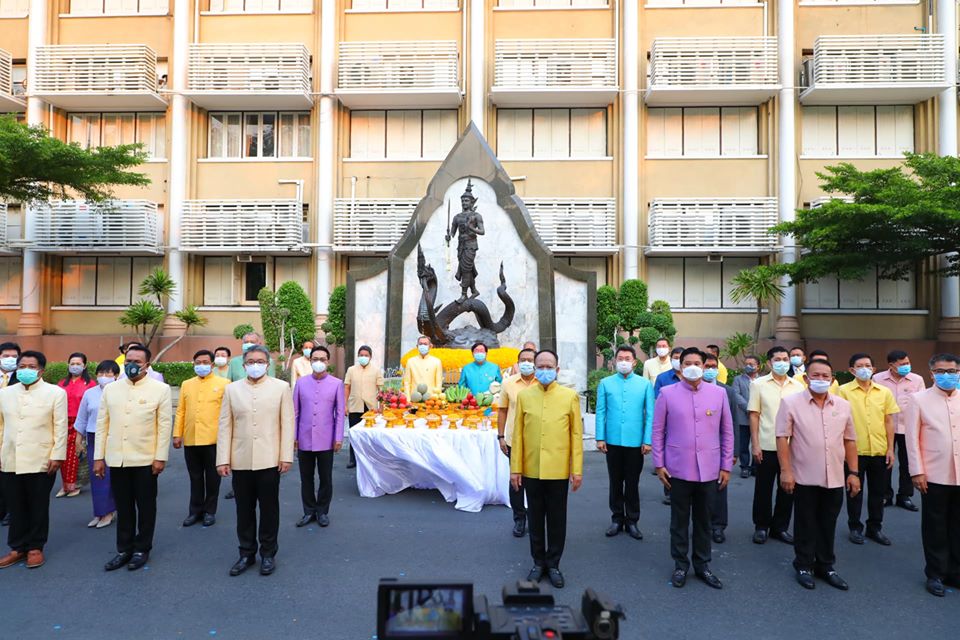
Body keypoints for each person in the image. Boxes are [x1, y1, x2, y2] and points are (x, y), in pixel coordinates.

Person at [776, 359, 861, 591]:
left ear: (832, 379)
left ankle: (826, 565)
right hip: (804, 476)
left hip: (834, 476)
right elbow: (782, 437)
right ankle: (803, 565)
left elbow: (850, 440)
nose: (821, 379)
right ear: (806, 378)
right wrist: (786, 471)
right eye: (816, 375)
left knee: (828, 522)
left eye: (826, 376)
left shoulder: (843, 406)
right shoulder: (791, 403)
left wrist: (853, 472)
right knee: (805, 522)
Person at [653, 347, 733, 590]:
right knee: (679, 521)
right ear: (679, 365)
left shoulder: (718, 394)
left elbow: (727, 432)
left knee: (703, 520)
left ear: (706, 365)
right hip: (677, 468)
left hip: (709, 469)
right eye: (687, 362)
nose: (692, 366)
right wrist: (659, 464)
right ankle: (680, 564)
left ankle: (702, 564)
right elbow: (657, 431)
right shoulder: (667, 393)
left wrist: (726, 465)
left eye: (697, 362)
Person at [217, 345, 295, 577]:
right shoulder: (232, 390)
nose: (255, 365)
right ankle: (246, 553)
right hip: (240, 460)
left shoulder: (281, 388)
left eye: (260, 361)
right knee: (244, 510)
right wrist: (222, 459)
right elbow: (224, 426)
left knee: (270, 510)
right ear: (244, 365)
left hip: (270, 459)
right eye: (250, 361)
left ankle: (268, 554)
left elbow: (287, 424)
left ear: (268, 364)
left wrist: (286, 456)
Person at [94, 344, 173, 572]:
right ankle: (124, 549)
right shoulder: (111, 389)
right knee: (124, 506)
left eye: (137, 362)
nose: (131, 365)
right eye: (128, 360)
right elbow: (102, 425)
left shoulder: (160, 389)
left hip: (146, 460)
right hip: (117, 459)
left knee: (146, 506)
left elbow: (163, 426)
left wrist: (160, 457)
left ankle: (142, 549)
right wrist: (99, 457)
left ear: (147, 364)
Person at [510, 349, 583, 589]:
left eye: (548, 366)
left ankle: (553, 564)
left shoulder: (569, 396)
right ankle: (537, 562)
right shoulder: (525, 396)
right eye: (539, 365)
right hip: (531, 468)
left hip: (559, 469)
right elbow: (518, 435)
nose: (543, 370)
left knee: (556, 518)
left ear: (557, 370)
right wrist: (515, 469)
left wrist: (577, 469)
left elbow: (575, 435)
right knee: (535, 516)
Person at [0, 351, 67, 569]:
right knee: (16, 504)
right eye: (22, 366)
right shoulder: (5, 393)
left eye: (31, 366)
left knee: (38, 504)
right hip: (10, 458)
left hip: (41, 459)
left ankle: (36, 547)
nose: (25, 370)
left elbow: (60, 426)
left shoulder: (55, 393)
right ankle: (17, 547)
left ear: (41, 370)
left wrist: (57, 455)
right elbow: (1, 427)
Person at [904, 353, 960, 597]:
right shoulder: (918, 399)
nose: (946, 376)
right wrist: (917, 471)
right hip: (933, 474)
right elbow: (912, 439)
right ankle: (935, 573)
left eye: (951, 371)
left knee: (958, 526)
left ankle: (955, 572)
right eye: (941, 371)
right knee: (935, 526)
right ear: (931, 374)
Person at [838, 353, 898, 546]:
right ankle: (855, 527)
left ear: (874, 369)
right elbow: (837, 421)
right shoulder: (843, 391)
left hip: (879, 450)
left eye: (868, 365)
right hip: (854, 451)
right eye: (860, 365)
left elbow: (889, 421)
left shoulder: (884, 392)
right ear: (852, 370)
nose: (865, 368)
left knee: (878, 492)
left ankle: (875, 527)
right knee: (854, 491)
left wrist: (891, 448)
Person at [748, 346, 805, 544]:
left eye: (785, 358)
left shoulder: (798, 386)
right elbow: (754, 415)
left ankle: (780, 527)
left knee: (788, 488)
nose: (782, 362)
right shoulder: (758, 384)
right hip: (766, 444)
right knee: (763, 488)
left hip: (791, 446)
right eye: (778, 359)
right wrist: (755, 445)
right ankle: (761, 526)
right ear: (769, 363)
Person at [595, 345, 653, 540]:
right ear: (614, 360)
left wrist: (647, 440)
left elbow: (650, 414)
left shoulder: (645, 384)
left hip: (636, 442)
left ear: (634, 362)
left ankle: (633, 520)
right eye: (620, 358)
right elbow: (600, 411)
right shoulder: (605, 383)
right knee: (615, 481)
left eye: (627, 358)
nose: (623, 362)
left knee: (633, 482)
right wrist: (600, 437)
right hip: (612, 441)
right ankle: (617, 518)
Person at [173, 350, 228, 528]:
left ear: (212, 364)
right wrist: (177, 434)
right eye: (198, 362)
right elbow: (181, 410)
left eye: (205, 362)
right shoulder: (186, 384)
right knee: (195, 477)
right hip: (191, 438)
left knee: (213, 478)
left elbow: (228, 414)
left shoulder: (224, 384)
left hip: (214, 439)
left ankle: (210, 511)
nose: (201, 365)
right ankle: (194, 511)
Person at [293, 346, 344, 529]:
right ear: (310, 361)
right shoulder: (301, 383)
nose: (319, 362)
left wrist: (338, 437)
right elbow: (295, 412)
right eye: (315, 359)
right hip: (304, 438)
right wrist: (294, 436)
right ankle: (308, 511)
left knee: (325, 478)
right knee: (306, 478)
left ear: (328, 362)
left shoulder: (336, 383)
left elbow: (339, 413)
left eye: (322, 359)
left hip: (326, 439)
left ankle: (322, 511)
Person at [873, 349, 925, 512]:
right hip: (884, 427)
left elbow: (923, 403)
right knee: (885, 462)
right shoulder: (878, 378)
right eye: (902, 364)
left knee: (907, 462)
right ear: (891, 365)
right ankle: (885, 495)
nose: (906, 366)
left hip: (908, 427)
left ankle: (905, 495)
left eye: (908, 363)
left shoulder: (916, 380)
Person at [74, 361, 119, 529]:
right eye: (101, 373)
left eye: (109, 374)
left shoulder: (119, 392)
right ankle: (99, 512)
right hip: (93, 436)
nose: (104, 377)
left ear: (116, 376)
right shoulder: (90, 393)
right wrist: (78, 440)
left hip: (113, 437)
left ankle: (109, 511)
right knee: (97, 477)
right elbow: (82, 418)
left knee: (110, 477)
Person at [498, 348, 537, 537]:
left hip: (538, 440)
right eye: (523, 360)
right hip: (514, 440)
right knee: (516, 482)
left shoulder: (543, 383)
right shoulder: (508, 383)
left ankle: (536, 517)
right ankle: (519, 518)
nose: (527, 363)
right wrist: (501, 436)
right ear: (518, 362)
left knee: (537, 482)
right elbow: (502, 410)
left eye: (530, 359)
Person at [702, 353, 738, 544]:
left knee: (719, 488)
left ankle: (718, 526)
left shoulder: (727, 392)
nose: (709, 370)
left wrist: (733, 452)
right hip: (698, 449)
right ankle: (702, 525)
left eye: (712, 366)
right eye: (706, 366)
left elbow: (732, 424)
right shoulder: (694, 389)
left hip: (719, 449)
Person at [56, 353, 96, 498]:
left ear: (84, 366)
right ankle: (65, 485)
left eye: (78, 364)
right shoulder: (62, 383)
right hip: (62, 422)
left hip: (80, 423)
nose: (75, 366)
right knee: (63, 455)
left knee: (75, 455)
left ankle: (74, 485)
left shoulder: (90, 384)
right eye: (72, 363)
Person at [344, 345, 383, 470]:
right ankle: (352, 459)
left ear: (370, 357)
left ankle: (369, 459)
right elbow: (346, 387)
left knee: (369, 434)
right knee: (354, 433)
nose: (363, 357)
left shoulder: (376, 370)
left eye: (366, 355)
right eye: (361, 355)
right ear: (358, 356)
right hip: (355, 406)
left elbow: (381, 389)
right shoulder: (351, 370)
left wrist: (381, 406)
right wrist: (344, 405)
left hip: (371, 408)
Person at [653, 346, 684, 505]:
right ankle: (669, 490)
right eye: (675, 357)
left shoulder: (691, 377)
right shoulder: (662, 378)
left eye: (680, 357)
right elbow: (658, 400)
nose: (677, 360)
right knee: (669, 459)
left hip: (684, 425)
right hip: (667, 425)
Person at [732, 355, 761, 478]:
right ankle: (744, 467)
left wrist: (756, 410)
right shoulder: (738, 379)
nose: (748, 366)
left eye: (752, 364)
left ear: (758, 366)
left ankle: (755, 466)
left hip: (759, 418)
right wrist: (749, 408)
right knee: (743, 444)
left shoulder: (762, 380)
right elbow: (736, 395)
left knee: (757, 443)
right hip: (743, 418)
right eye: (746, 363)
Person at [0, 341, 19, 526]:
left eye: (14, 356)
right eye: (6, 356)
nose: (10, 359)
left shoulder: (21, 380)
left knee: (10, 475)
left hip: (12, 434)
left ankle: (11, 511)